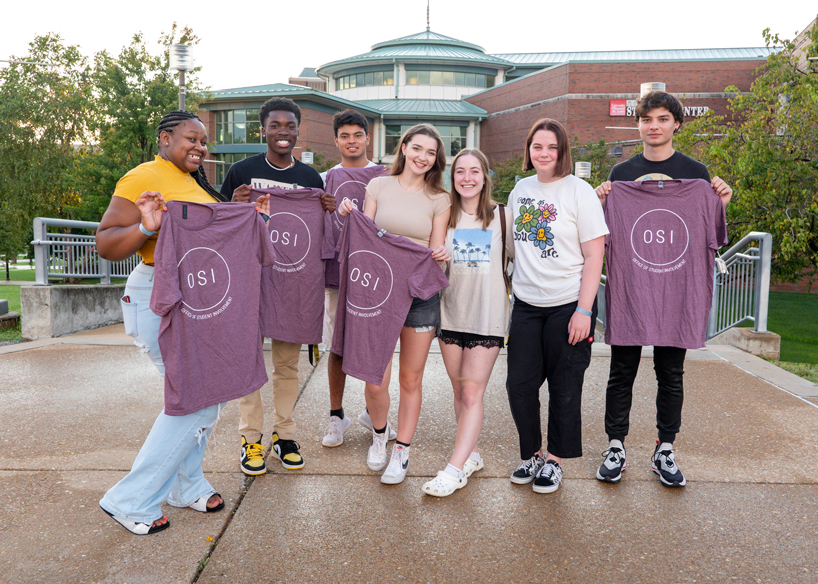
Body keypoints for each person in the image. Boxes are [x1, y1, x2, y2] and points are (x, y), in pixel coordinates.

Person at [95, 110, 231, 535]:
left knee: (205, 394)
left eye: (204, 141)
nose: (199, 146)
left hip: (200, 298)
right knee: (195, 397)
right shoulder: (142, 177)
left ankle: (185, 485)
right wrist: (144, 226)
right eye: (191, 138)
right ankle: (132, 498)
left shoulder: (195, 183)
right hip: (158, 294)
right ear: (165, 137)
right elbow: (106, 244)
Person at [594, 91, 732, 487]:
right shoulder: (620, 176)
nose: (653, 126)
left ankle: (665, 448)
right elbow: (601, 233)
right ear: (638, 125)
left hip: (677, 292)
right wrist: (600, 198)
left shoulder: (697, 174)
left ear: (676, 124)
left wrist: (722, 200)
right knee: (621, 372)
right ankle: (616, 446)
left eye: (662, 119)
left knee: (671, 373)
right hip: (632, 290)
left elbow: (712, 233)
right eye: (646, 119)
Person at [222, 97, 335, 476]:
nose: (283, 132)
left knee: (286, 364)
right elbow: (221, 225)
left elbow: (321, 227)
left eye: (289, 126)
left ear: (297, 131)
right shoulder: (241, 172)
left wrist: (327, 210)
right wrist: (233, 203)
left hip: (292, 283)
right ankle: (250, 438)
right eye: (275, 126)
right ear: (263, 130)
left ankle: (284, 435)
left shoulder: (310, 178)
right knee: (249, 360)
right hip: (250, 279)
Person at [338, 123, 451, 484]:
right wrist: (347, 217)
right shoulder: (378, 186)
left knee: (410, 378)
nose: (422, 157)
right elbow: (365, 237)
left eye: (430, 152)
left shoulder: (439, 198)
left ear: (436, 159)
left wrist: (443, 253)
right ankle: (379, 433)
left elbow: (436, 253)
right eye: (417, 148)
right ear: (403, 148)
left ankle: (401, 450)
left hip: (419, 294)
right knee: (375, 381)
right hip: (379, 292)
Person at [506, 118, 608, 494]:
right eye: (537, 147)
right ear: (528, 151)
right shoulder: (521, 189)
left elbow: (595, 254)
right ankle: (531, 453)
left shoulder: (578, 191)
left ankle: (553, 461)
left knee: (564, 388)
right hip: (527, 305)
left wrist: (584, 310)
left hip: (569, 305)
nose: (544, 153)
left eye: (551, 147)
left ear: (562, 151)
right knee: (519, 384)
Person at [421, 149, 513, 497]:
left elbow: (533, 254)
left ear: (485, 176)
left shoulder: (504, 216)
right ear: (452, 177)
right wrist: (437, 260)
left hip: (487, 319)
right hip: (450, 315)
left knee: (473, 391)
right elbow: (433, 267)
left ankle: (454, 469)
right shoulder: (444, 217)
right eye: (460, 171)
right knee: (460, 390)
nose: (468, 178)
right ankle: (472, 454)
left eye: (475, 171)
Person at [319, 109, 396, 447]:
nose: (352, 141)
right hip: (337, 275)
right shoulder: (325, 178)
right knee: (337, 348)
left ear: (368, 138)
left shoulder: (386, 176)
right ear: (336, 140)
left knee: (373, 347)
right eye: (345, 136)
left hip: (375, 276)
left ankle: (372, 411)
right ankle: (337, 416)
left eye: (357, 135)